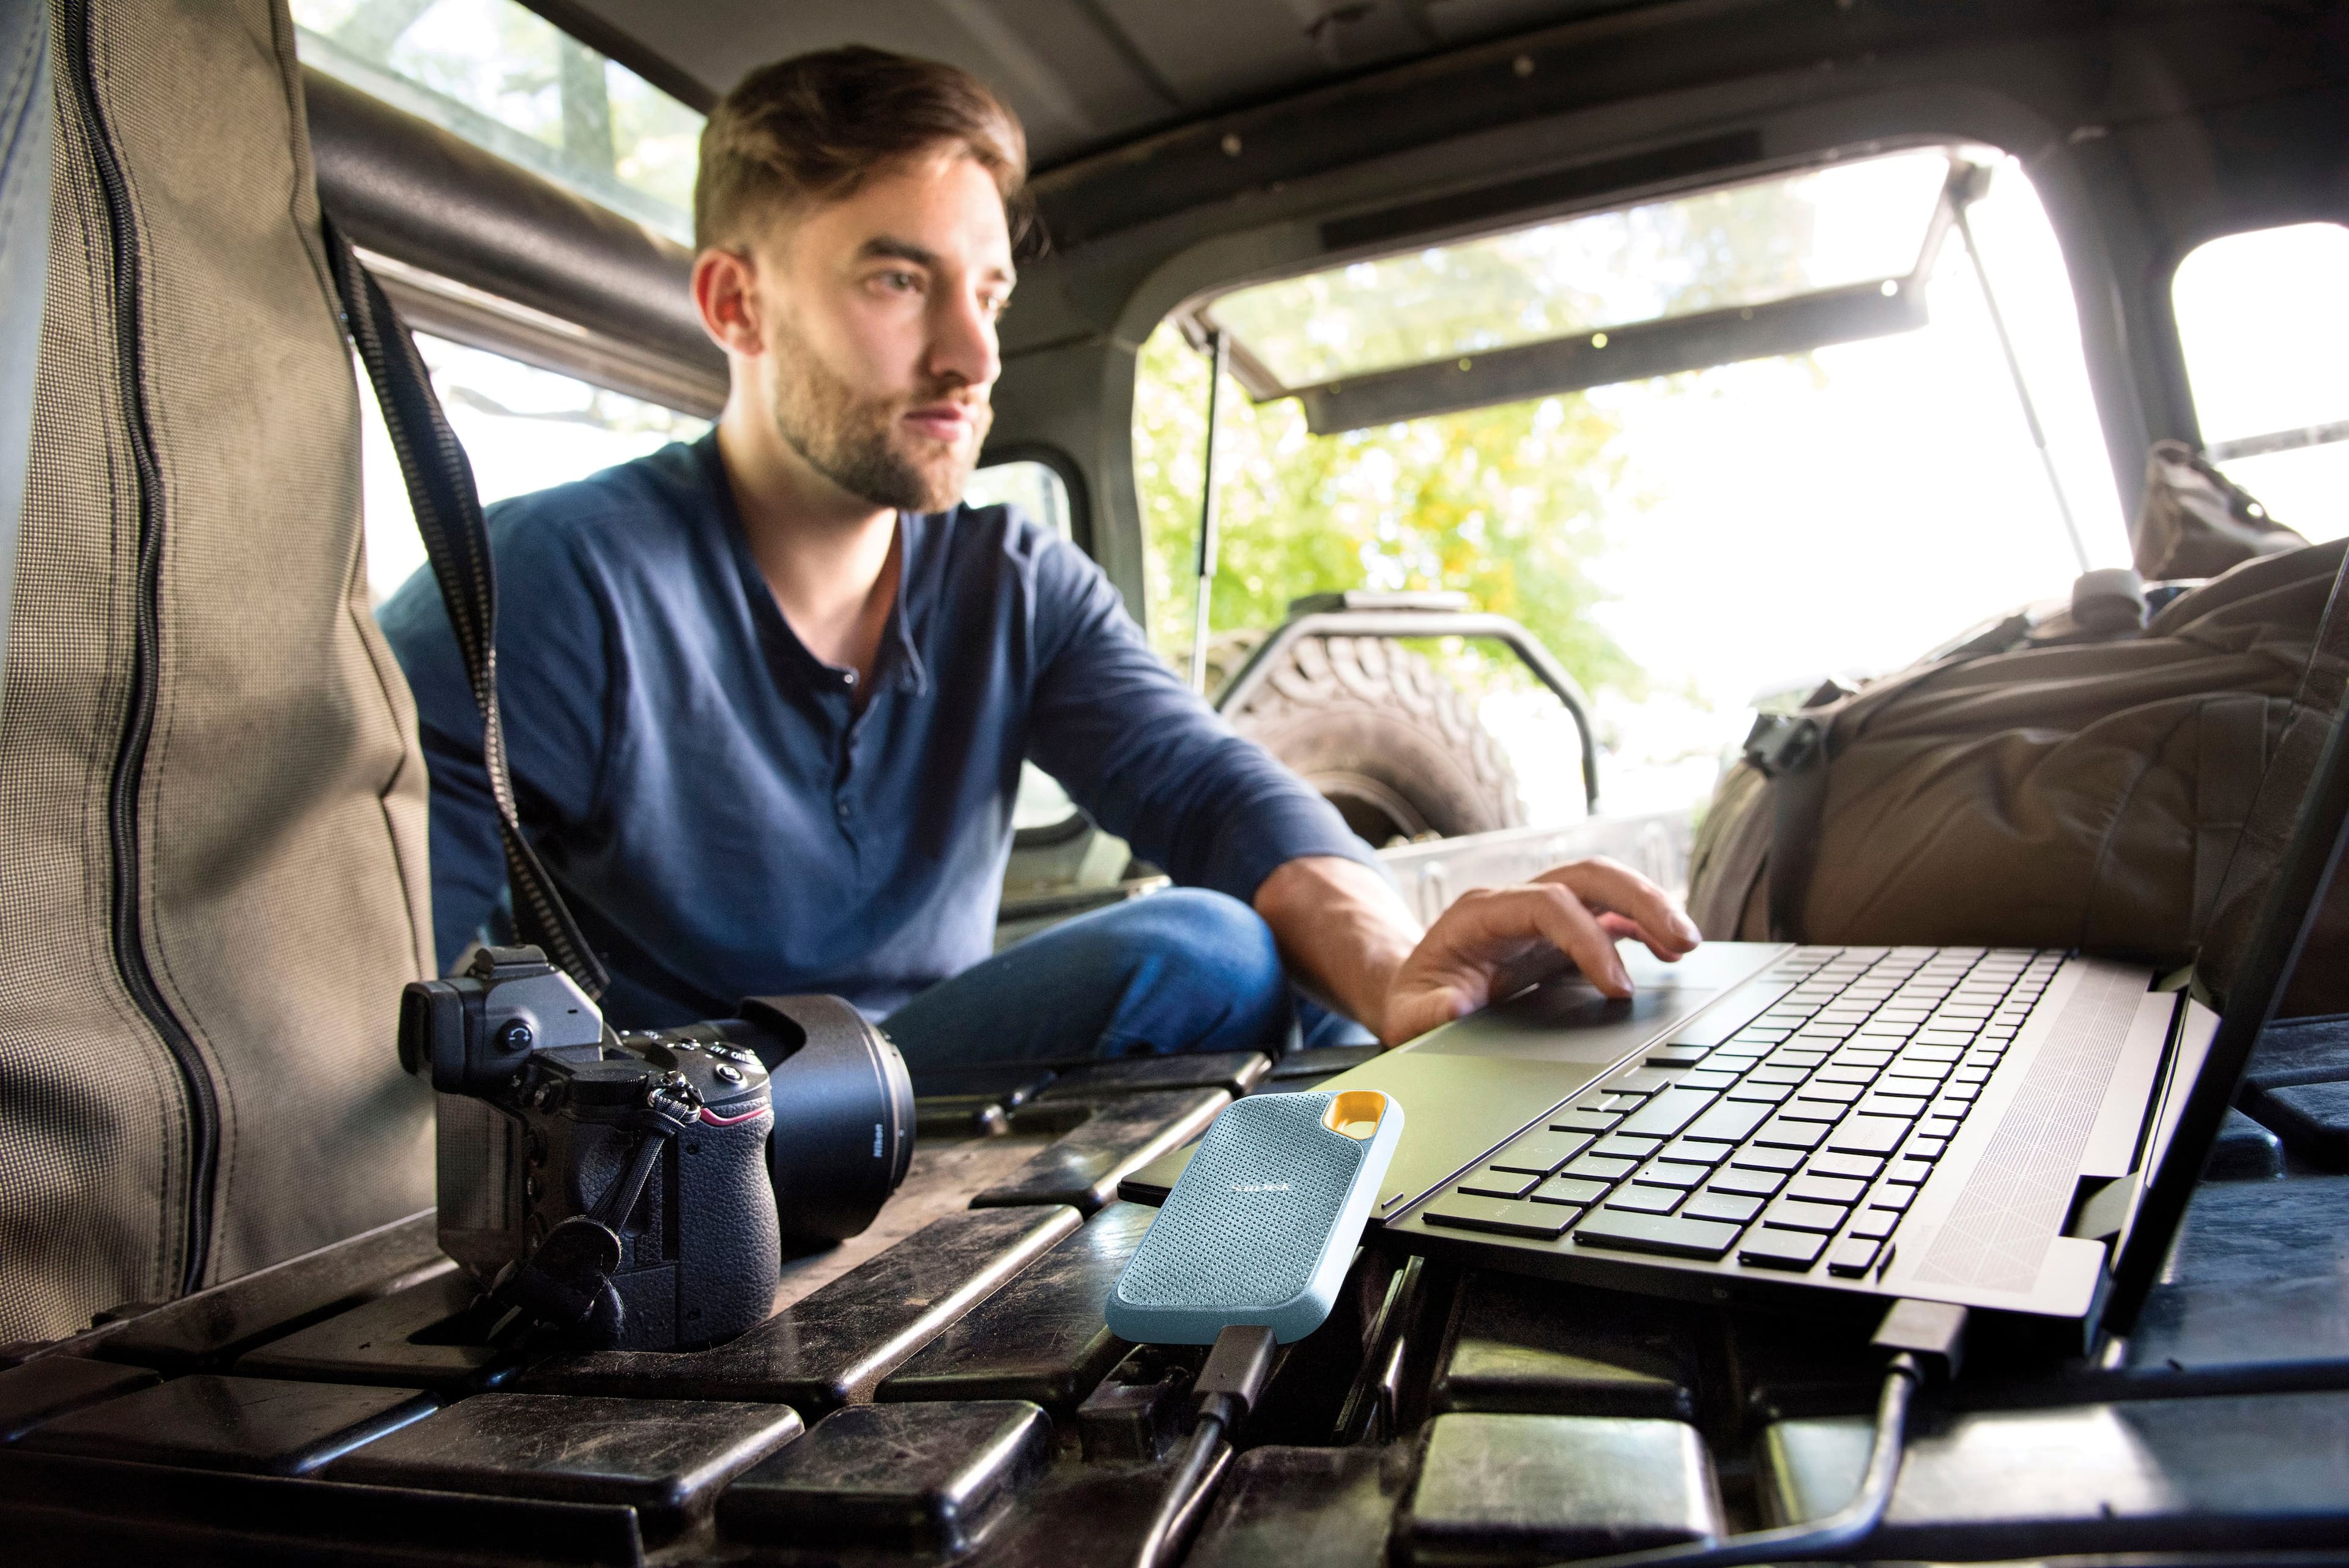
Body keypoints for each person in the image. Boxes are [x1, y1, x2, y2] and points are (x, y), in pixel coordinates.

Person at [380, 45, 1699, 1073]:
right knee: (1207, 952)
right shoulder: (548, 584)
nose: (973, 356)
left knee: (1319, 992)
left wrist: (1397, 965)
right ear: (737, 303)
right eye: (899, 283)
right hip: (699, 1144)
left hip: (961, 1096)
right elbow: (386, 998)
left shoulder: (1013, 584)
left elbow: (1215, 794)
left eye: (989, 291)